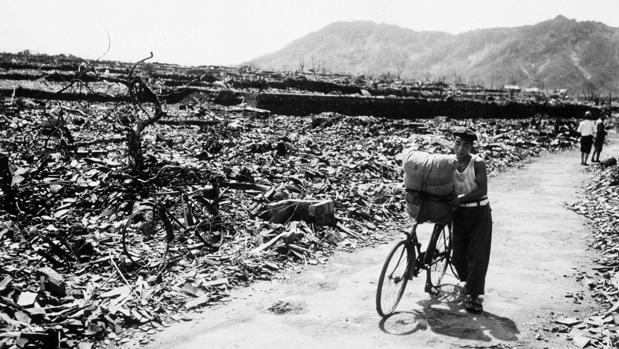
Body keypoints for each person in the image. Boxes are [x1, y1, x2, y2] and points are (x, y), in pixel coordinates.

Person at [450, 126, 492, 314]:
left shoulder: (477, 162)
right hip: (459, 213)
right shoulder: (448, 162)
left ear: (471, 147)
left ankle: (474, 296)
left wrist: (459, 199)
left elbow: (482, 190)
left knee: (477, 254)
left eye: (465, 145)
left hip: (479, 212)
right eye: (457, 143)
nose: (460, 149)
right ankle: (469, 284)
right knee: (457, 254)